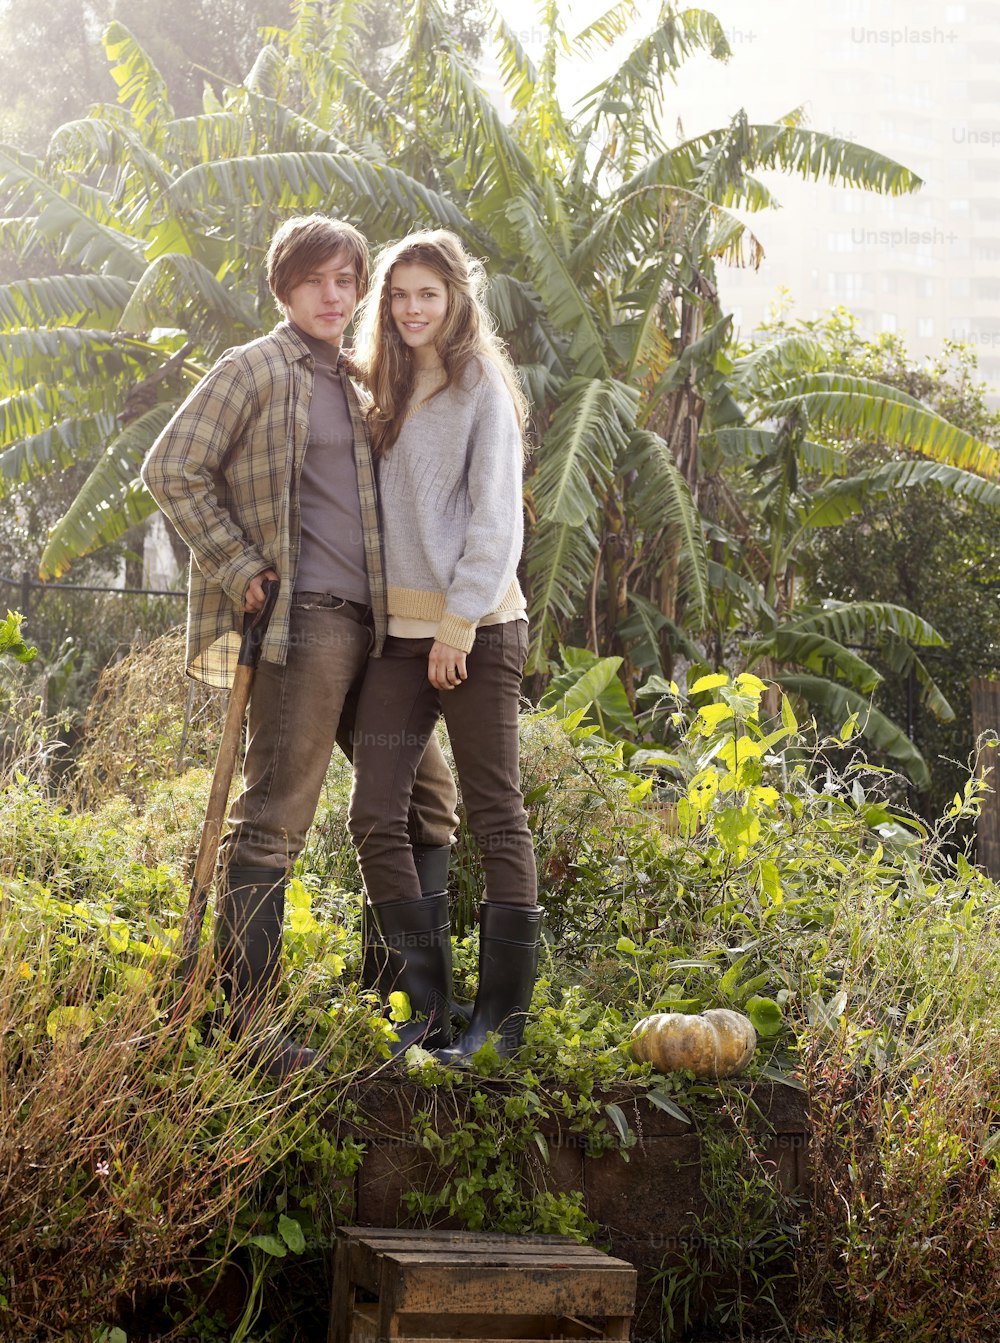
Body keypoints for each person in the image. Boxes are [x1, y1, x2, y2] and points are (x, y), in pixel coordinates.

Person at [141, 214, 459, 1078]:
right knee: (276, 819)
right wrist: (240, 562)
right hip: (305, 623)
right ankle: (243, 1027)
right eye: (317, 279)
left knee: (426, 799)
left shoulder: (363, 382)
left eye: (347, 281)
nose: (334, 295)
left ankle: (405, 1008)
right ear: (284, 287)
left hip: (383, 629)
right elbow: (171, 467)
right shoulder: (253, 368)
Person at [347, 229, 540, 1066]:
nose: (412, 308)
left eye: (428, 294)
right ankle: (422, 1007)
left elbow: (498, 513)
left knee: (498, 815)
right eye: (399, 295)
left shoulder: (479, 385)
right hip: (401, 639)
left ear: (457, 298)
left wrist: (460, 622)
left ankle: (498, 1023)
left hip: (477, 632)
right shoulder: (387, 384)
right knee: (374, 812)